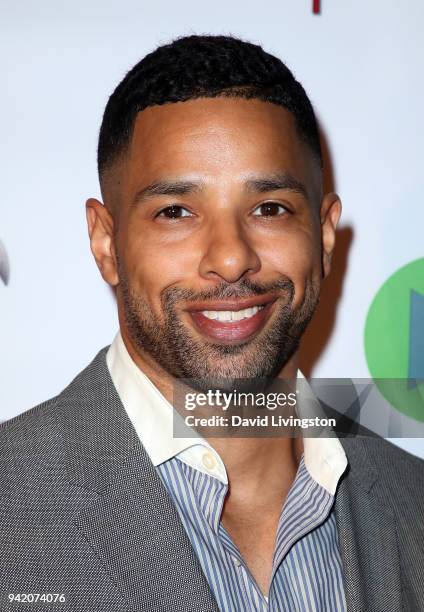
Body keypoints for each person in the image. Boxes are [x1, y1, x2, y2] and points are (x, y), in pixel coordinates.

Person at [1, 35, 423, 612]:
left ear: (324, 236)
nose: (230, 257)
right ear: (106, 241)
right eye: (176, 212)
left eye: (269, 208)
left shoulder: (412, 502)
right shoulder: (13, 505)